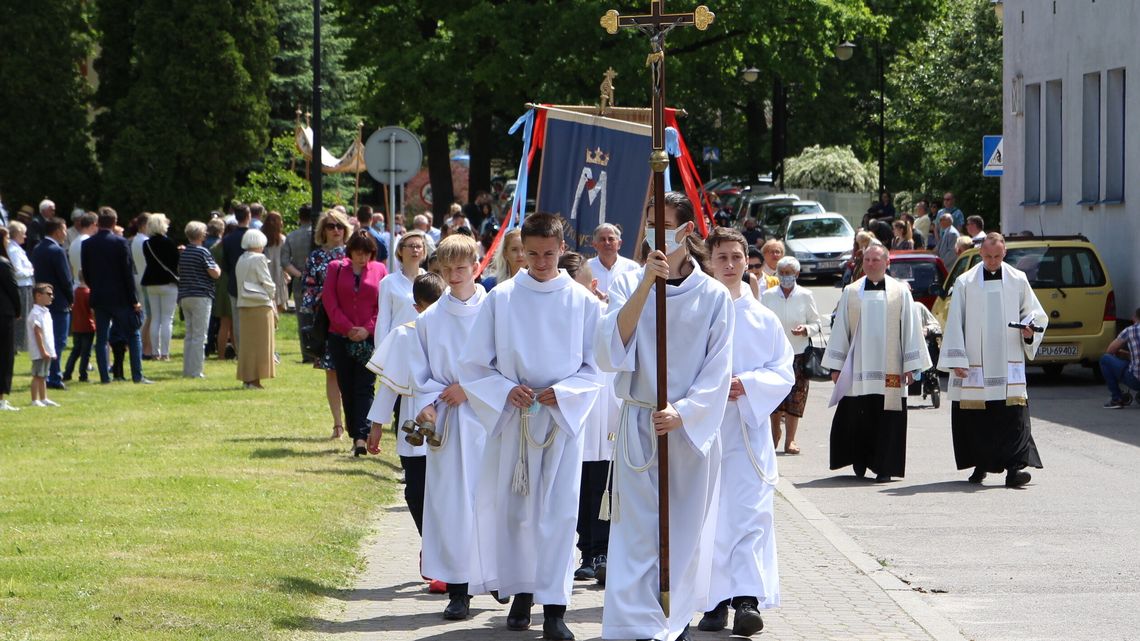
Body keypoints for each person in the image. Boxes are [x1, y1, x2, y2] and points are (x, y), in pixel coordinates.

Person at [596, 192, 732, 641]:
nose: (654, 233)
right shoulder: (627, 282)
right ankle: (631, 624)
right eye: (649, 222)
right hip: (639, 426)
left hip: (688, 430)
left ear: (686, 231)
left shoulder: (713, 295)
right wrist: (643, 286)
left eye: (664, 224)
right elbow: (611, 348)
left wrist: (686, 412)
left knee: (683, 530)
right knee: (636, 531)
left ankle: (673, 621)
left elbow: (719, 366)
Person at [461, 213, 601, 640]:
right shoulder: (500, 299)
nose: (540, 262)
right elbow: (472, 365)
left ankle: (556, 608)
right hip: (516, 418)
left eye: (548, 253)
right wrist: (505, 389)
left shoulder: (583, 302)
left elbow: (595, 367)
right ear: (521, 251)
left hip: (560, 421)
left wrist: (569, 391)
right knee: (519, 514)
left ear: (562, 248)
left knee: (559, 514)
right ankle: (522, 593)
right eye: (532, 253)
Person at [699, 227, 795, 638]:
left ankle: (747, 600)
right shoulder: (696, 311)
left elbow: (783, 371)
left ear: (747, 261)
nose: (730, 264)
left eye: (737, 257)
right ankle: (712, 602)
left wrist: (749, 385)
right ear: (709, 261)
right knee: (710, 517)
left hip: (748, 431)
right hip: (705, 431)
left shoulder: (763, 317)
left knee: (750, 515)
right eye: (722, 257)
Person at [408, 236, 497, 617]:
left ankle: (495, 577)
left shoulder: (496, 309)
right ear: (439, 271)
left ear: (476, 266)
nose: (455, 275)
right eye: (447, 270)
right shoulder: (430, 319)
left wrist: (472, 388)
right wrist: (428, 404)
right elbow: (420, 370)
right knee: (452, 505)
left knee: (491, 500)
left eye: (462, 268)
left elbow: (505, 362)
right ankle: (458, 589)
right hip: (449, 420)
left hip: (490, 418)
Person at [938, 233, 1047, 487]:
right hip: (976, 362)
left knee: (1012, 416)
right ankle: (980, 465)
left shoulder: (1018, 280)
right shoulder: (966, 282)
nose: (992, 261)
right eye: (987, 256)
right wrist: (957, 359)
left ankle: (1014, 470)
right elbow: (955, 321)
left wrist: (1029, 331)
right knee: (978, 417)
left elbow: (1033, 314)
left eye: (997, 256)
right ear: (980, 254)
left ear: (1005, 252)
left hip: (1009, 361)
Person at [823, 244, 930, 483]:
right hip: (858, 368)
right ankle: (860, 461)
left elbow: (911, 328)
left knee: (888, 418)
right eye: (867, 260)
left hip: (889, 368)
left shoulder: (900, 292)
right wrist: (836, 366)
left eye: (876, 260)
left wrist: (912, 365)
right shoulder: (851, 292)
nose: (871, 264)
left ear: (886, 263)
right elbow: (841, 329)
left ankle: (885, 466)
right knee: (858, 416)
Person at [364, 272, 444, 538]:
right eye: (426, 307)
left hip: (449, 418)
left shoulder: (456, 332)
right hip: (412, 423)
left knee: (445, 491)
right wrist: (376, 425)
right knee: (416, 490)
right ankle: (429, 543)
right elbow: (389, 384)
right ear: (416, 307)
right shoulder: (402, 335)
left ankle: (444, 550)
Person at [559, 251, 615, 583]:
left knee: (603, 486)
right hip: (572, 415)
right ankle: (584, 551)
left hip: (605, 414)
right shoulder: (558, 321)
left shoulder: (608, 317)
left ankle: (602, 551)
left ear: (592, 285)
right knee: (577, 487)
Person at [323, 230, 386, 456]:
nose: (362, 258)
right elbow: (329, 302)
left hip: (368, 339)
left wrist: (367, 329)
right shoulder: (336, 268)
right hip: (341, 337)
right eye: (358, 253)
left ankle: (361, 436)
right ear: (350, 252)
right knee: (346, 387)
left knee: (365, 386)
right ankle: (354, 432)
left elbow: (383, 306)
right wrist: (347, 327)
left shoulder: (380, 270)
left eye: (367, 253)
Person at [762, 256, 823, 455]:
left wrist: (806, 329)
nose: (786, 277)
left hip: (799, 355)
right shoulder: (769, 295)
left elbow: (817, 324)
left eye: (790, 273)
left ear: (797, 274)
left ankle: (791, 440)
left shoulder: (805, 295)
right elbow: (762, 321)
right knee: (774, 398)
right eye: (782, 273)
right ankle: (773, 434)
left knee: (796, 398)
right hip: (775, 354)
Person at [82, 207, 149, 384]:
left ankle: (105, 376)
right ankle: (137, 375)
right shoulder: (120, 243)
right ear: (114, 222)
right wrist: (134, 300)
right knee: (133, 334)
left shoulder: (87, 244)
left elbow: (86, 273)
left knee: (102, 338)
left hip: (99, 297)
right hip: (120, 298)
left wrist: (95, 287)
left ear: (98, 223)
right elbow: (127, 273)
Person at [303, 210, 349, 438]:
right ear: (323, 230)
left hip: (352, 320)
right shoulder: (316, 257)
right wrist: (324, 298)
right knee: (332, 372)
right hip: (327, 321)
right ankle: (338, 424)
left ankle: (356, 421)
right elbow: (308, 288)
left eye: (339, 226)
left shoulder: (354, 253)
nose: (336, 230)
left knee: (353, 374)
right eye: (331, 226)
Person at [30, 219, 74, 389]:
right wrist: (71, 298)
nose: (65, 233)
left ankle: (47, 374)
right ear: (57, 231)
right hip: (58, 301)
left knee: (48, 339)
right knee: (59, 340)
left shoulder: (38, 248)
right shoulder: (57, 251)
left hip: (42, 299)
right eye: (63, 229)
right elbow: (65, 279)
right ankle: (54, 376)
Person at [178, 221, 221, 378]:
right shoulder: (202, 252)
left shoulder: (184, 252)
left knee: (189, 334)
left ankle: (187, 369)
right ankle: (196, 371)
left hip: (185, 295)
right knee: (199, 335)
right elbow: (214, 273)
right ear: (201, 235)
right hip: (201, 296)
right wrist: (218, 268)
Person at [234, 229, 277, 389]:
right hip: (259, 305)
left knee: (247, 345)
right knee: (261, 344)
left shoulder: (241, 258)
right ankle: (255, 379)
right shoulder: (259, 258)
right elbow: (266, 281)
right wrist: (273, 293)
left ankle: (247, 378)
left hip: (244, 305)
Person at [376, 230, 428, 343]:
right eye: (411, 246)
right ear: (400, 250)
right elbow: (383, 321)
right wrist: (380, 354)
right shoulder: (388, 282)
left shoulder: (431, 281)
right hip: (398, 345)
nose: (415, 250)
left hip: (425, 346)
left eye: (419, 246)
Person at [141, 214, 180, 361]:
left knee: (155, 318)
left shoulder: (147, 244)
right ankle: (165, 353)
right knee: (167, 319)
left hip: (151, 282)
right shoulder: (169, 242)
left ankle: (155, 352)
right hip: (168, 283)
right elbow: (175, 262)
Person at [282, 204, 314, 359]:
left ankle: (306, 353)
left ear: (299, 217)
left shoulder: (292, 236)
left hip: (299, 282)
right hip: (318, 281)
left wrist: (300, 275)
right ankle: (319, 351)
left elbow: (285, 261)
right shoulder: (318, 235)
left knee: (303, 317)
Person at [222, 204, 251, 346]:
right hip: (252, 283)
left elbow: (225, 264)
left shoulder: (228, 239)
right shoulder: (254, 237)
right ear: (248, 216)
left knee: (237, 319)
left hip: (234, 282)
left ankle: (240, 352)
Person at [1099, 307, 1140, 408]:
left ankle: (1117, 399)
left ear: (1135, 317)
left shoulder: (1130, 330)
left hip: (1136, 380)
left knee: (1105, 359)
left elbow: (1110, 351)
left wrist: (1123, 354)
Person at [27, 283, 60, 406]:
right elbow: (37, 333)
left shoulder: (46, 312)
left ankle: (43, 397)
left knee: (44, 375)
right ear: (38, 296)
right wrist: (43, 351)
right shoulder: (36, 313)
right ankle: (34, 400)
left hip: (47, 350)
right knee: (37, 375)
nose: (52, 297)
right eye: (49, 294)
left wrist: (51, 351)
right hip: (40, 351)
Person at [588, 223, 639, 296]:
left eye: (611, 239)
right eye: (602, 239)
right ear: (594, 245)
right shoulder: (586, 268)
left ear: (619, 244)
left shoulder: (633, 268)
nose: (607, 243)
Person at [6, 222, 35, 351]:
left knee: (26, 316)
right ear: (17, 234)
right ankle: (16, 344)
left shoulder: (17, 248)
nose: (25, 236)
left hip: (27, 285)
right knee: (21, 318)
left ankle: (21, 344)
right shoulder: (12, 250)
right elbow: (17, 272)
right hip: (21, 286)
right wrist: (30, 271)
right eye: (23, 233)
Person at [0, 229, 20, 410]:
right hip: (3, 314)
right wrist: (18, 310)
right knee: (5, 356)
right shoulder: (4, 263)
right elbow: (14, 290)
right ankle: (1, 398)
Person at [61, 275, 94, 384]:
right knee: (86, 353)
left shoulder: (74, 292)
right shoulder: (88, 293)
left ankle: (67, 373)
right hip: (88, 326)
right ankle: (83, 374)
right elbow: (92, 311)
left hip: (76, 326)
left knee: (75, 351)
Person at [210, 225, 235, 360]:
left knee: (224, 323)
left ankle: (220, 355)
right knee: (233, 324)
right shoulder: (232, 247)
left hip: (220, 286)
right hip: (231, 284)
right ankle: (237, 353)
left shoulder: (215, 248)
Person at [261, 211, 289, 313]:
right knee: (278, 306)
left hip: (265, 272)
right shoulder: (283, 239)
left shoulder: (261, 237)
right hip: (278, 273)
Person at [68, 211, 96, 285]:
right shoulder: (89, 242)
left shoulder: (73, 242)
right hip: (87, 285)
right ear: (93, 225)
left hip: (76, 284)